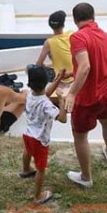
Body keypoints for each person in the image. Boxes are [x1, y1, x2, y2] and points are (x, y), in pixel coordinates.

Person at [63, 3, 107, 188]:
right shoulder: (103, 34)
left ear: (74, 19)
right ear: (93, 17)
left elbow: (86, 66)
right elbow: (94, 63)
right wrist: (73, 72)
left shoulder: (78, 37)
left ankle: (86, 177)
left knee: (79, 135)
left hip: (90, 95)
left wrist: (71, 93)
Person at [19, 66, 67, 205]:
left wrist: (58, 79)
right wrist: (62, 102)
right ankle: (38, 196)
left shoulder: (29, 94)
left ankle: (26, 169)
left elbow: (45, 93)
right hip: (40, 140)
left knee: (27, 151)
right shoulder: (46, 104)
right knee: (41, 168)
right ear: (45, 82)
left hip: (28, 134)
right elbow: (63, 119)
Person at [35, 10, 74, 105]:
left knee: (29, 69)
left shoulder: (49, 42)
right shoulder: (71, 34)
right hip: (75, 75)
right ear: (63, 25)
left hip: (61, 79)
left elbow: (38, 65)